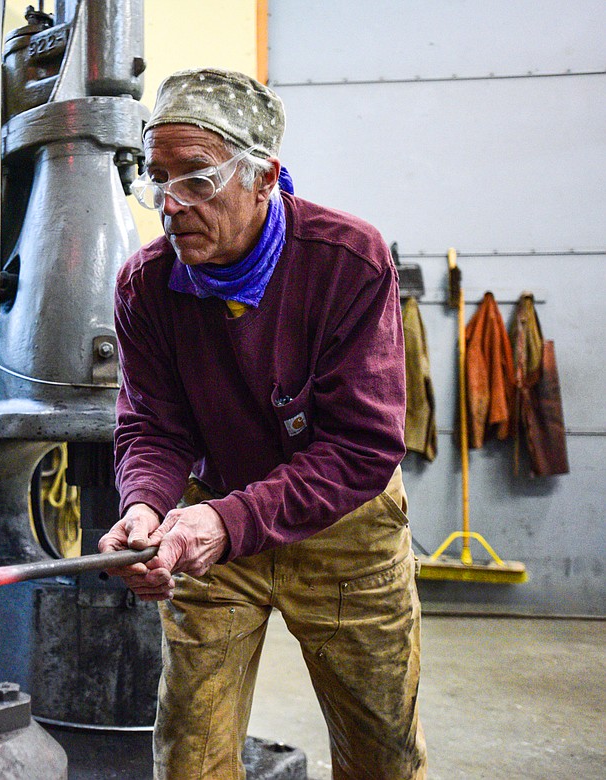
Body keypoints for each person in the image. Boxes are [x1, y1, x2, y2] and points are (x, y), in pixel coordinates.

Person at [99, 68, 428, 779]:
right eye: (158, 179)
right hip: (209, 525)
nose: (172, 204)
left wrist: (223, 521)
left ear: (264, 177)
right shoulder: (145, 286)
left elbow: (363, 447)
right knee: (191, 754)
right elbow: (153, 426)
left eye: (197, 179)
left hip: (344, 528)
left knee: (383, 754)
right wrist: (146, 507)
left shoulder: (347, 262)